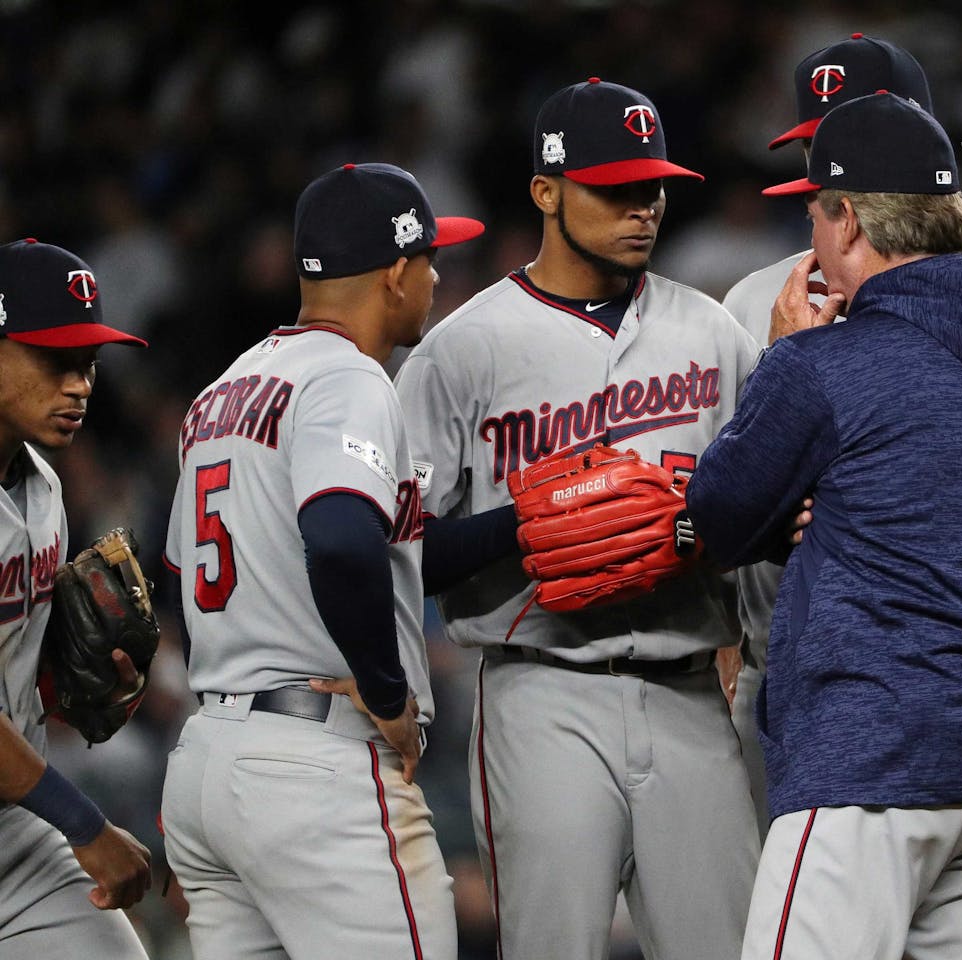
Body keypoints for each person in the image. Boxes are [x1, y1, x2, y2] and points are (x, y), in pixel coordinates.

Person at [687, 92, 962, 960]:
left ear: (852, 224)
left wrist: (787, 353)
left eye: (817, 211)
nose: (812, 232)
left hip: (875, 754)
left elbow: (719, 516)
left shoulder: (826, 364)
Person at [393, 78, 760, 959]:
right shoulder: (464, 348)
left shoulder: (714, 337)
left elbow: (767, 514)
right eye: (613, 189)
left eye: (652, 187)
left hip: (690, 692)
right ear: (546, 192)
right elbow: (399, 549)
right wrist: (520, 529)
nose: (641, 209)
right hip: (539, 689)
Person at [722, 33, 962, 836]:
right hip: (785, 668)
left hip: (935, 694)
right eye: (819, 141)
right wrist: (723, 630)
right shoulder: (745, 303)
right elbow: (726, 497)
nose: (835, 156)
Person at [159, 162, 484, 960]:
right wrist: (386, 692)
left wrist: (523, 525)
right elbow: (340, 541)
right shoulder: (347, 376)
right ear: (396, 272)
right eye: (432, 260)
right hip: (314, 768)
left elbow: (183, 576)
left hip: (211, 761)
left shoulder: (222, 390)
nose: (439, 278)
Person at [0, 238, 151, 958]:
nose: (79, 385)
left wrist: (67, 691)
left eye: (88, 364)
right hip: (43, 810)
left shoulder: (45, 488)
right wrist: (85, 825)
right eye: (55, 360)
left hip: (14, 828)